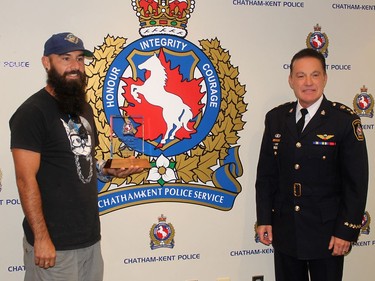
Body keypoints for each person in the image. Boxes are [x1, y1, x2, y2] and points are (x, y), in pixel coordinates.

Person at [9, 32, 143, 281]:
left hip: (89, 239)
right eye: (65, 58)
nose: (75, 66)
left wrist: (106, 169)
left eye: (80, 59)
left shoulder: (81, 106)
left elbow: (80, 160)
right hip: (54, 246)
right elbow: (25, 180)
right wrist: (41, 238)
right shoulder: (32, 113)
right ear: (46, 63)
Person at [255, 48, 368, 281]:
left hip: (327, 233)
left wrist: (345, 230)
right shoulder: (276, 118)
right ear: (290, 80)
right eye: (300, 75)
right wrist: (265, 218)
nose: (308, 82)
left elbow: (356, 182)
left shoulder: (344, 121)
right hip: (286, 229)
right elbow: (266, 175)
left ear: (325, 78)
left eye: (315, 75)